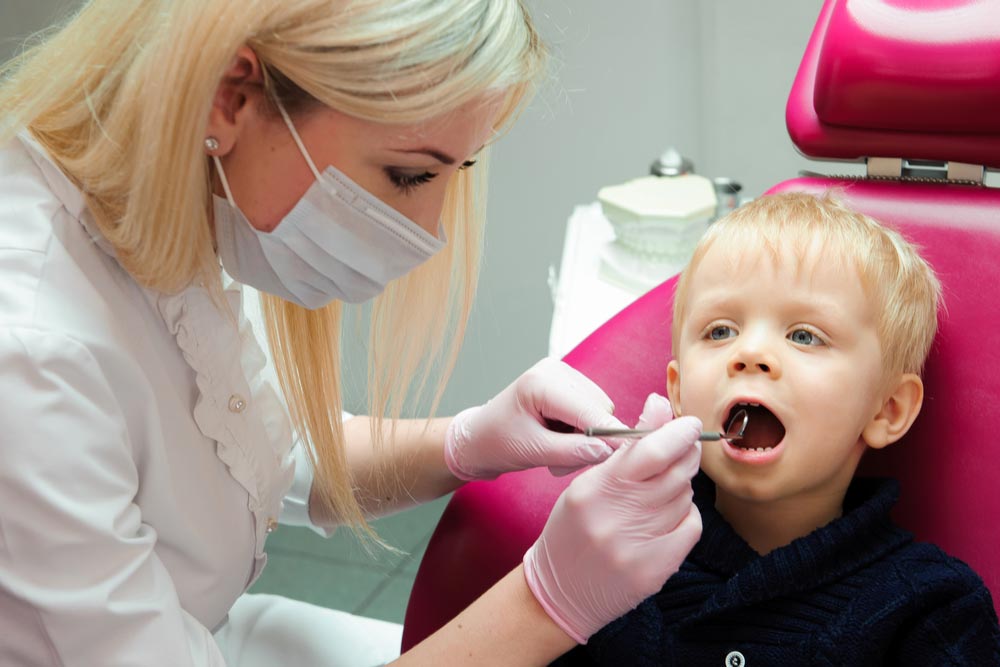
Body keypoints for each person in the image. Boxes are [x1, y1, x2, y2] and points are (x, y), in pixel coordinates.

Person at [0, 2, 706, 666]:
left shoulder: (182, 201)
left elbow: (254, 452)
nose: (428, 230)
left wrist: (466, 440)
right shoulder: (29, 352)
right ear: (231, 97)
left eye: (453, 173)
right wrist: (549, 599)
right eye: (408, 174)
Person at [552, 192, 1000, 666]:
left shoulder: (932, 609)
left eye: (804, 335)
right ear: (679, 392)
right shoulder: (608, 558)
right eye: (720, 331)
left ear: (886, 409)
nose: (750, 354)